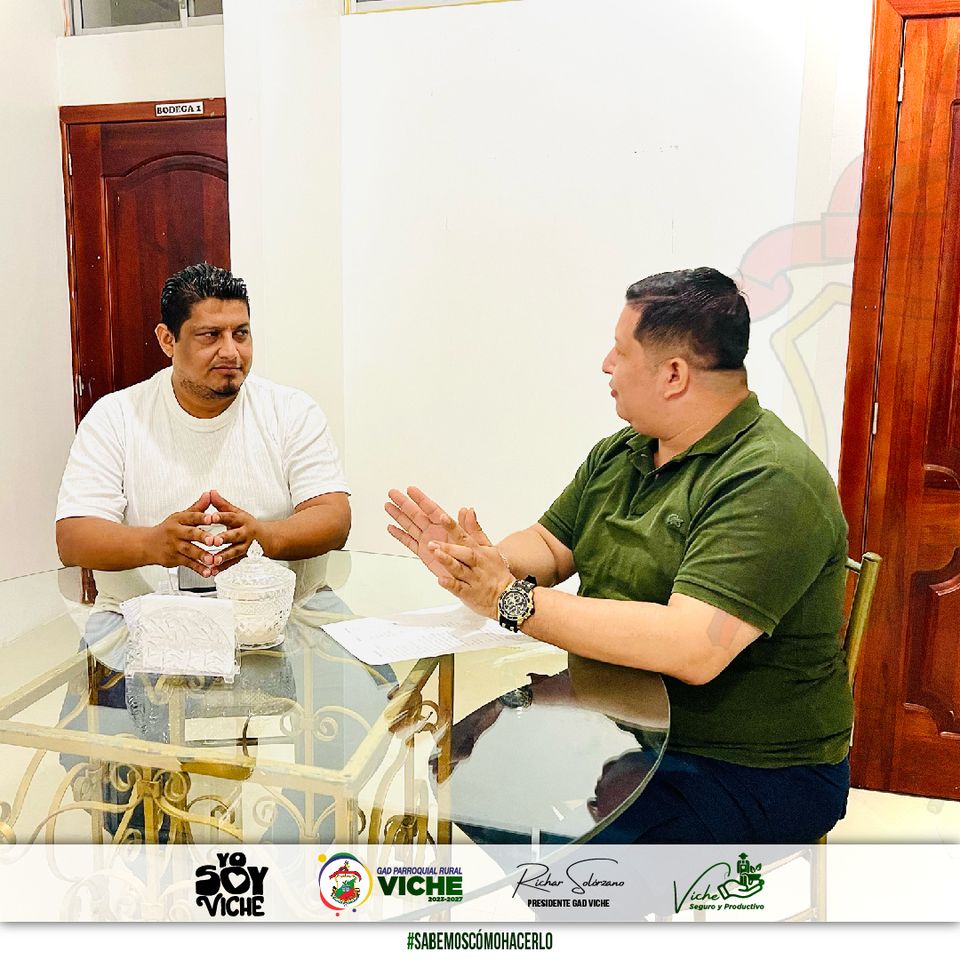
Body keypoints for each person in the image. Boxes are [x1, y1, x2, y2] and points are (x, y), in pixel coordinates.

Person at [385, 267, 853, 843]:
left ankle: (572, 893)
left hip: (747, 764)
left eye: (621, 350)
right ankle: (552, 887)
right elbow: (550, 545)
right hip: (623, 717)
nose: (606, 364)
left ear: (674, 374)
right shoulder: (625, 451)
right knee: (457, 771)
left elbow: (692, 647)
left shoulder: (770, 478)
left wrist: (509, 599)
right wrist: (475, 562)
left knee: (577, 865)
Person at [56, 261, 351, 607]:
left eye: (240, 333)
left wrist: (263, 537)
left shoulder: (291, 410)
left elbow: (334, 517)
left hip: (285, 611)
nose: (230, 351)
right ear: (167, 340)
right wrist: (153, 544)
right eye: (210, 335)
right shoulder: (115, 417)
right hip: (137, 616)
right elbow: (72, 537)